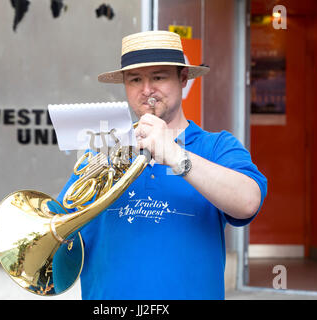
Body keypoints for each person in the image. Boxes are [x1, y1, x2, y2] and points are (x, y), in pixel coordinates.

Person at [56, 30, 267, 300]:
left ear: (182, 79)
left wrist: (175, 154)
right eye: (135, 79)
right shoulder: (103, 151)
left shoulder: (217, 146)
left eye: (158, 77)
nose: (146, 90)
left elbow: (249, 201)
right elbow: (62, 233)